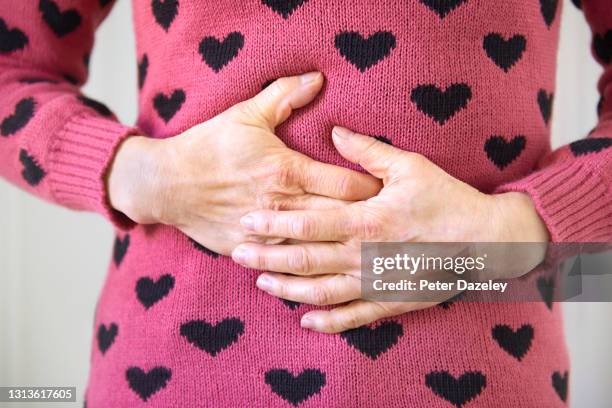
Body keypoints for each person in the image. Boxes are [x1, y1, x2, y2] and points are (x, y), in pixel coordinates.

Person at [1, 0, 610, 406]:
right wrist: (148, 177)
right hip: (171, 376)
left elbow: (579, 267)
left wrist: (510, 235)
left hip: (489, 379)